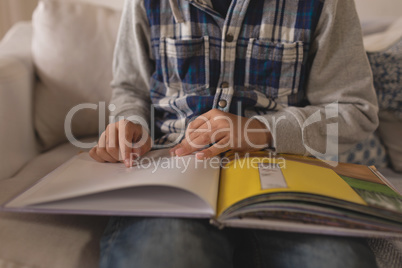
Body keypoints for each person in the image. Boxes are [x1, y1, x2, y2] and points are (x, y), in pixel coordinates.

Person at [90, 0, 380, 267]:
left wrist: (262, 130)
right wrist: (130, 122)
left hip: (285, 175)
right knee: (168, 253)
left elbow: (355, 109)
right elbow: (130, 89)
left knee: (337, 261)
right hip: (173, 174)